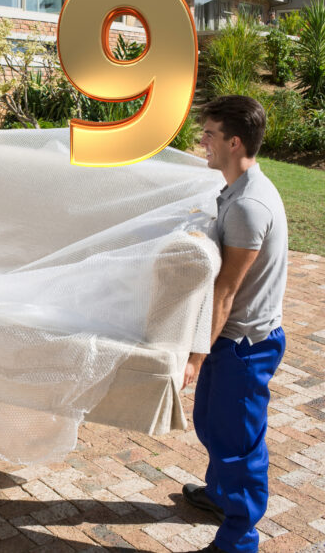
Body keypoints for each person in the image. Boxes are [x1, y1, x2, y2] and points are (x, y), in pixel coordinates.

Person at [181, 95, 287, 553]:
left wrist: (195, 357)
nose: (202, 141)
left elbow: (225, 292)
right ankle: (221, 496)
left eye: (209, 135)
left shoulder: (248, 206)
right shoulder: (237, 190)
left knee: (239, 447)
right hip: (230, 340)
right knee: (210, 424)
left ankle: (238, 541)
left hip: (245, 347)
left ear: (234, 142)